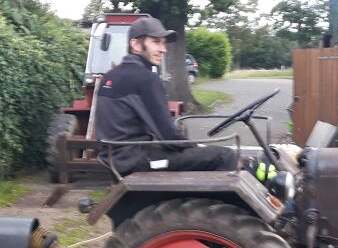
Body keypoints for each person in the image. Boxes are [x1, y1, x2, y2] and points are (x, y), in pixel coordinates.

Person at [92, 17, 234, 175]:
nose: (163, 49)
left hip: (114, 158)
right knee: (225, 155)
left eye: (163, 43)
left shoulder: (109, 76)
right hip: (135, 161)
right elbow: (167, 133)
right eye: (156, 42)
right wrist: (193, 146)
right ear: (136, 45)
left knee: (194, 154)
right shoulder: (146, 79)